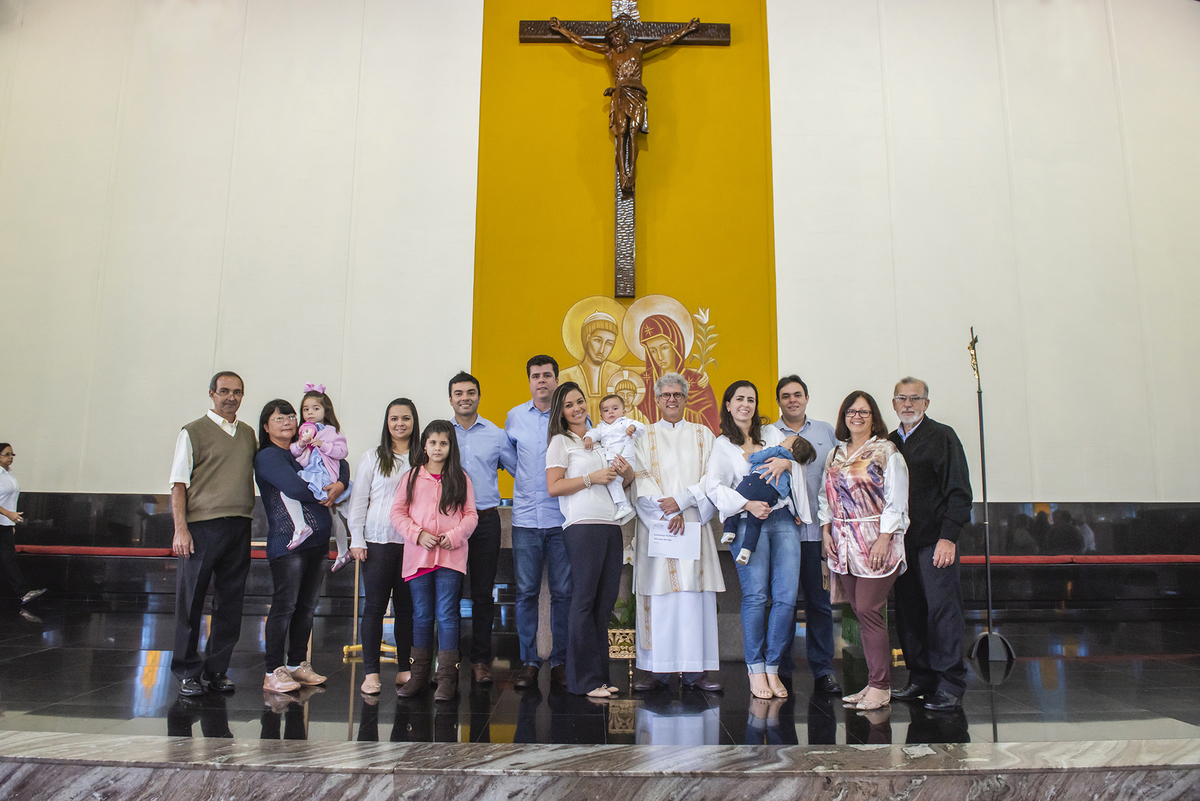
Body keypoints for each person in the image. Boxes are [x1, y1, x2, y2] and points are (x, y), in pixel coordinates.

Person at [707, 380, 810, 700]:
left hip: (781, 520)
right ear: (728, 404)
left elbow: (798, 463)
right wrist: (747, 504)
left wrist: (787, 463)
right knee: (755, 597)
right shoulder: (723, 444)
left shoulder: (773, 435)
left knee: (786, 598)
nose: (745, 405)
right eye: (739, 399)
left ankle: (773, 667)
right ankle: (755, 668)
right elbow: (714, 486)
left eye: (751, 399)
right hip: (747, 522)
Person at [630, 372, 724, 693]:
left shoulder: (704, 435)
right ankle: (657, 670)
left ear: (685, 399)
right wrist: (666, 512)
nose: (671, 400)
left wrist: (683, 504)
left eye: (677, 395)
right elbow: (639, 480)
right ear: (656, 400)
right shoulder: (643, 437)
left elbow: (713, 480)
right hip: (658, 529)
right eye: (665, 395)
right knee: (660, 597)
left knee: (692, 599)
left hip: (693, 524)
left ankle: (697, 671)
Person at [169, 371, 257, 697]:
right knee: (190, 603)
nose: (230, 397)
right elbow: (178, 485)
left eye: (236, 392)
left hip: (239, 524)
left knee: (229, 605)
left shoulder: (248, 434)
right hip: (202, 528)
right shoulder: (192, 432)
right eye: (223, 391)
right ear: (211, 394)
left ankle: (216, 670)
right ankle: (187, 672)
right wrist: (181, 530)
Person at [820, 391, 909, 712]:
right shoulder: (835, 454)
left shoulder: (886, 452)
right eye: (851, 412)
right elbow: (824, 497)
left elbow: (897, 498)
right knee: (859, 610)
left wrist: (885, 538)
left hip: (875, 540)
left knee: (871, 610)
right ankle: (872, 683)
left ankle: (882, 686)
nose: (857, 417)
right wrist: (826, 530)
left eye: (864, 412)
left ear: (874, 417)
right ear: (843, 417)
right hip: (843, 543)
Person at [546, 382, 635, 698]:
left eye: (580, 401)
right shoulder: (561, 442)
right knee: (583, 600)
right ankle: (581, 680)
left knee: (604, 602)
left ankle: (600, 678)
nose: (576, 408)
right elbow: (554, 487)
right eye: (569, 404)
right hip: (581, 527)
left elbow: (616, 486)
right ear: (561, 411)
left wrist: (627, 475)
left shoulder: (601, 438)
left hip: (610, 525)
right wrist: (590, 478)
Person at [888, 377, 972, 713]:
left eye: (915, 399)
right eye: (901, 399)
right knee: (909, 613)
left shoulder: (943, 437)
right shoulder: (889, 442)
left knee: (942, 613)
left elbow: (959, 492)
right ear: (893, 404)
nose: (908, 404)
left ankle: (950, 683)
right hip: (901, 543)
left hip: (935, 543)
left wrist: (948, 537)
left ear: (926, 403)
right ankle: (920, 676)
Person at [255, 399, 347, 694]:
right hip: (288, 544)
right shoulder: (269, 456)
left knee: (307, 606)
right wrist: (327, 489)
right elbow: (294, 488)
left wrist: (341, 484)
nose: (287, 421)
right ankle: (272, 670)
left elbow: (340, 464)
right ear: (266, 426)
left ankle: (296, 664)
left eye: (291, 416)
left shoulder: (303, 450)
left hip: (317, 541)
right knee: (286, 606)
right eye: (279, 418)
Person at [547, 16, 701, 191]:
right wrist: (561, 30)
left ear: (624, 34)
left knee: (633, 132)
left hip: (637, 94)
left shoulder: (638, 48)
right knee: (621, 132)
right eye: (612, 38)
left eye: (617, 35)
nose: (616, 40)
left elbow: (663, 41)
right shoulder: (610, 53)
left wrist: (686, 30)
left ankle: (631, 173)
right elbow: (582, 43)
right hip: (620, 94)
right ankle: (622, 173)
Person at [390, 420, 478, 702]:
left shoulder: (461, 478)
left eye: (443, 443)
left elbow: (471, 515)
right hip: (419, 558)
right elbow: (397, 513)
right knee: (422, 615)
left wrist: (453, 536)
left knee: (447, 615)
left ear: (451, 447)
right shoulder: (412, 477)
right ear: (424, 446)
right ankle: (419, 677)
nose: (437, 448)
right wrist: (418, 534)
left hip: (450, 558)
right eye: (433, 443)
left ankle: (447, 678)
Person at [771, 375, 842, 695]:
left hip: (817, 534)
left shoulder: (827, 432)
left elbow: (841, 476)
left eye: (797, 395)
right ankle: (781, 669)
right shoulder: (769, 434)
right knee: (782, 603)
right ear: (779, 401)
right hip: (783, 532)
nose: (792, 400)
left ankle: (823, 669)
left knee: (819, 604)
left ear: (807, 398)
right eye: (785, 396)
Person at [505, 355, 571, 689]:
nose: (542, 381)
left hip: (563, 520)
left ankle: (559, 660)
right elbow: (509, 458)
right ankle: (529, 661)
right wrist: (530, 480)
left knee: (562, 593)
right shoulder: (514, 417)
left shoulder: (567, 415)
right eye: (535, 376)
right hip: (526, 521)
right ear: (529, 381)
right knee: (527, 593)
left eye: (547, 375)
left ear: (557, 380)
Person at [347, 398, 420, 695]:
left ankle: (405, 669)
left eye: (405, 418)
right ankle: (371, 673)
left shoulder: (422, 457)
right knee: (375, 607)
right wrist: (356, 537)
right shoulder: (373, 457)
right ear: (386, 423)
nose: (399, 424)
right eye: (394, 419)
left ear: (414, 422)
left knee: (406, 609)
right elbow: (359, 499)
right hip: (377, 542)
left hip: (412, 544)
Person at [449, 371, 516, 685]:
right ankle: (447, 660)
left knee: (482, 595)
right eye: (459, 393)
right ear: (450, 398)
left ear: (478, 396)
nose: (465, 397)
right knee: (446, 593)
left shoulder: (496, 434)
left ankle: (480, 660)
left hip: (485, 521)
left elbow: (520, 471)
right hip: (447, 523)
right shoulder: (440, 434)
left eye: (471, 392)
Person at [720, 435, 816, 566]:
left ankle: (729, 531)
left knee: (737, 500)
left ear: (790, 449)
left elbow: (758, 456)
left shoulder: (777, 451)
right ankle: (746, 550)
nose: (781, 441)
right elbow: (792, 492)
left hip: (756, 482)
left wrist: (749, 456)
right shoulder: (793, 467)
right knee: (756, 521)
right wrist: (796, 514)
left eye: (784, 441)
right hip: (772, 495)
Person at [285, 385, 352, 566]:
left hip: (325, 475)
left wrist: (323, 445)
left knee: (337, 511)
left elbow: (342, 452)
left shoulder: (332, 431)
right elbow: (295, 452)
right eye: (306, 409)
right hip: (311, 473)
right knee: (332, 513)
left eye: (316, 408)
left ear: (325, 410)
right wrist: (301, 444)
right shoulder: (303, 431)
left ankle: (302, 527)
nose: (310, 413)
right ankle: (343, 552)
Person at [635, 315, 719, 431]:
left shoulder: (697, 382)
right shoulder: (642, 383)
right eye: (653, 350)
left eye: (664, 348)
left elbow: (710, 424)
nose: (659, 357)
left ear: (675, 346)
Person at [582, 393, 644, 523]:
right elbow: (593, 433)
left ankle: (623, 506)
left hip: (624, 459)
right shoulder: (601, 427)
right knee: (611, 482)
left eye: (615, 409)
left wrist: (633, 428)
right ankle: (625, 506)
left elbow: (641, 427)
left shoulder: (624, 423)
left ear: (624, 411)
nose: (610, 412)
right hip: (610, 460)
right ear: (601, 415)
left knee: (613, 482)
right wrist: (588, 438)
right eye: (606, 410)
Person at [558, 310, 624, 424]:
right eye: (598, 340)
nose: (602, 349)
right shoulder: (564, 377)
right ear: (587, 337)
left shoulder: (620, 374)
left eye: (609, 343)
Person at [0, 443, 46, 605]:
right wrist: (8, 514)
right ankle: (22, 592)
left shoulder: (8, 474)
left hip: (4, 524)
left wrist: (9, 522)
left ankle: (23, 593)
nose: (10, 457)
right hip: (4, 519)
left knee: (7, 558)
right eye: (6, 454)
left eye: (12, 454)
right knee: (6, 558)